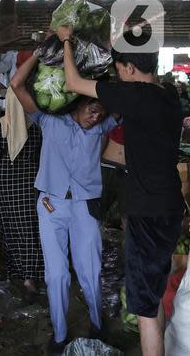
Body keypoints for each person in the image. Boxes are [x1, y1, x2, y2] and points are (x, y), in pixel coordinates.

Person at [60, 25, 184, 356]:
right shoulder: (170, 96)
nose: (119, 76)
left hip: (147, 210)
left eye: (120, 70)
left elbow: (72, 82)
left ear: (130, 68)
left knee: (143, 308)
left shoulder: (134, 95)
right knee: (152, 292)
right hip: (172, 206)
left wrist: (66, 41)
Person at [11, 52, 117, 355]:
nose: (95, 116)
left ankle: (98, 325)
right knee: (56, 274)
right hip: (51, 206)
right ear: (75, 103)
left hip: (85, 207)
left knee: (90, 270)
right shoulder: (49, 121)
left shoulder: (101, 126)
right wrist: (41, 53)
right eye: (91, 110)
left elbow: (130, 99)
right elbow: (17, 84)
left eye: (100, 111)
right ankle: (59, 335)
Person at [0, 116, 44, 300]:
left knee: (11, 228)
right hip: (31, 182)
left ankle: (16, 273)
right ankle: (30, 276)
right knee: (31, 228)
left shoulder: (1, 125)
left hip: (7, 183)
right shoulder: (37, 125)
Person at [100, 124, 127, 229]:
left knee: (128, 217)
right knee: (97, 213)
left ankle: (129, 245)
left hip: (130, 170)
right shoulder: (116, 112)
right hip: (107, 164)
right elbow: (103, 134)